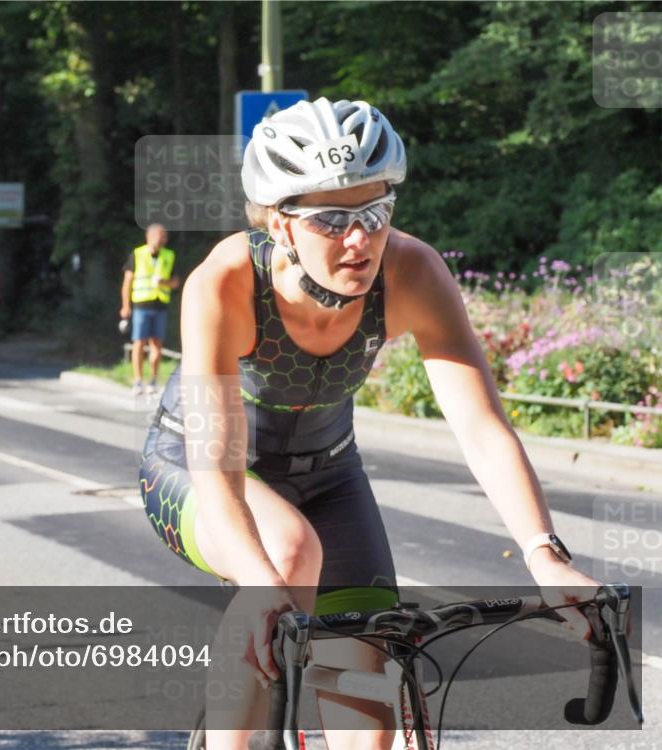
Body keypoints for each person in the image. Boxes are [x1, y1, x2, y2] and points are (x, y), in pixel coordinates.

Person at [137, 98, 600, 750]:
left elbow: (481, 425)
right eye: (331, 219)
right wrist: (264, 588)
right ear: (281, 223)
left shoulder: (412, 271)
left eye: (375, 213)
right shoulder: (226, 283)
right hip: (197, 463)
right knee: (289, 557)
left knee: (371, 713)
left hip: (330, 473)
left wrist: (544, 556)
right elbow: (217, 465)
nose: (359, 239)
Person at [120, 224, 181, 395]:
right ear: (149, 237)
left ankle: (153, 380)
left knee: (157, 345)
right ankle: (138, 381)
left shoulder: (169, 255)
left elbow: (175, 282)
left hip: (160, 305)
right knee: (139, 343)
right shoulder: (138, 254)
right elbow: (127, 282)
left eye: (164, 237)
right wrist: (125, 306)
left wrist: (164, 282)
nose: (162, 240)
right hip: (141, 305)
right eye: (159, 236)